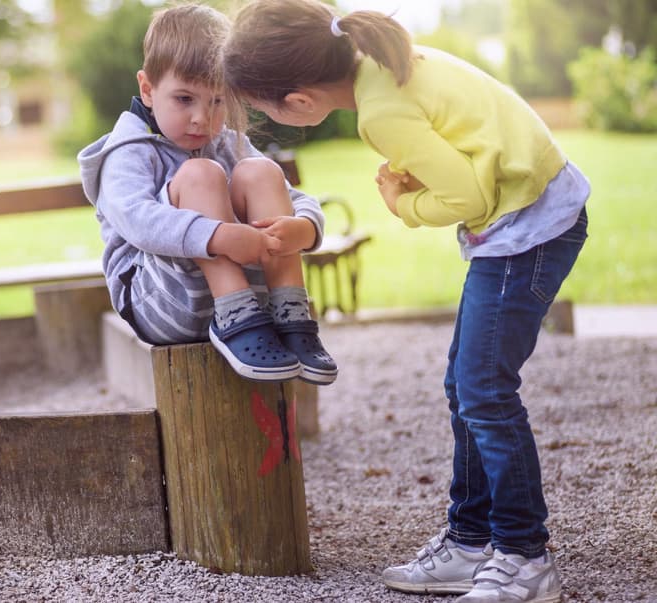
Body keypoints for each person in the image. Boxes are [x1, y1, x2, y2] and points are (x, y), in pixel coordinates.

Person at [222, 1, 589, 601]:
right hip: (533, 207)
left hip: (530, 229)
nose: (266, 118)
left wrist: (403, 205)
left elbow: (468, 198)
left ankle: (525, 556)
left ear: (302, 101)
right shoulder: (387, 62)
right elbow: (470, 144)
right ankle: (470, 541)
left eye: (264, 108)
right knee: (466, 384)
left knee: (484, 390)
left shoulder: (381, 112)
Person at [78, 3, 337, 385]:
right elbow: (136, 220)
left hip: (255, 306)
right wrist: (216, 236)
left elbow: (291, 195)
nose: (203, 117)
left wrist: (305, 227)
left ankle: (292, 313)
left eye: (217, 101)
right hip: (162, 302)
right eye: (184, 99)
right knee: (201, 175)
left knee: (261, 171)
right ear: (148, 89)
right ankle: (236, 316)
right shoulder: (128, 151)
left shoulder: (228, 142)